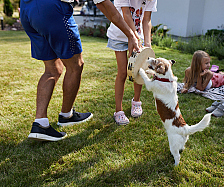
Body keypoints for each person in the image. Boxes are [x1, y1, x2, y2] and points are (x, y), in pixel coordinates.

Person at [20, 0, 140, 141]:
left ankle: (40, 123)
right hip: (52, 9)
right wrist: (131, 35)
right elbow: (105, 5)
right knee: (75, 65)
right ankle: (66, 115)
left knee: (52, 69)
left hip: (27, 9)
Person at [106, 0, 157, 125]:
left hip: (138, 36)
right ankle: (118, 111)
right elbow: (126, 14)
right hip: (119, 36)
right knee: (123, 72)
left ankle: (136, 102)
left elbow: (146, 19)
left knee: (139, 70)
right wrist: (134, 37)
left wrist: (147, 45)